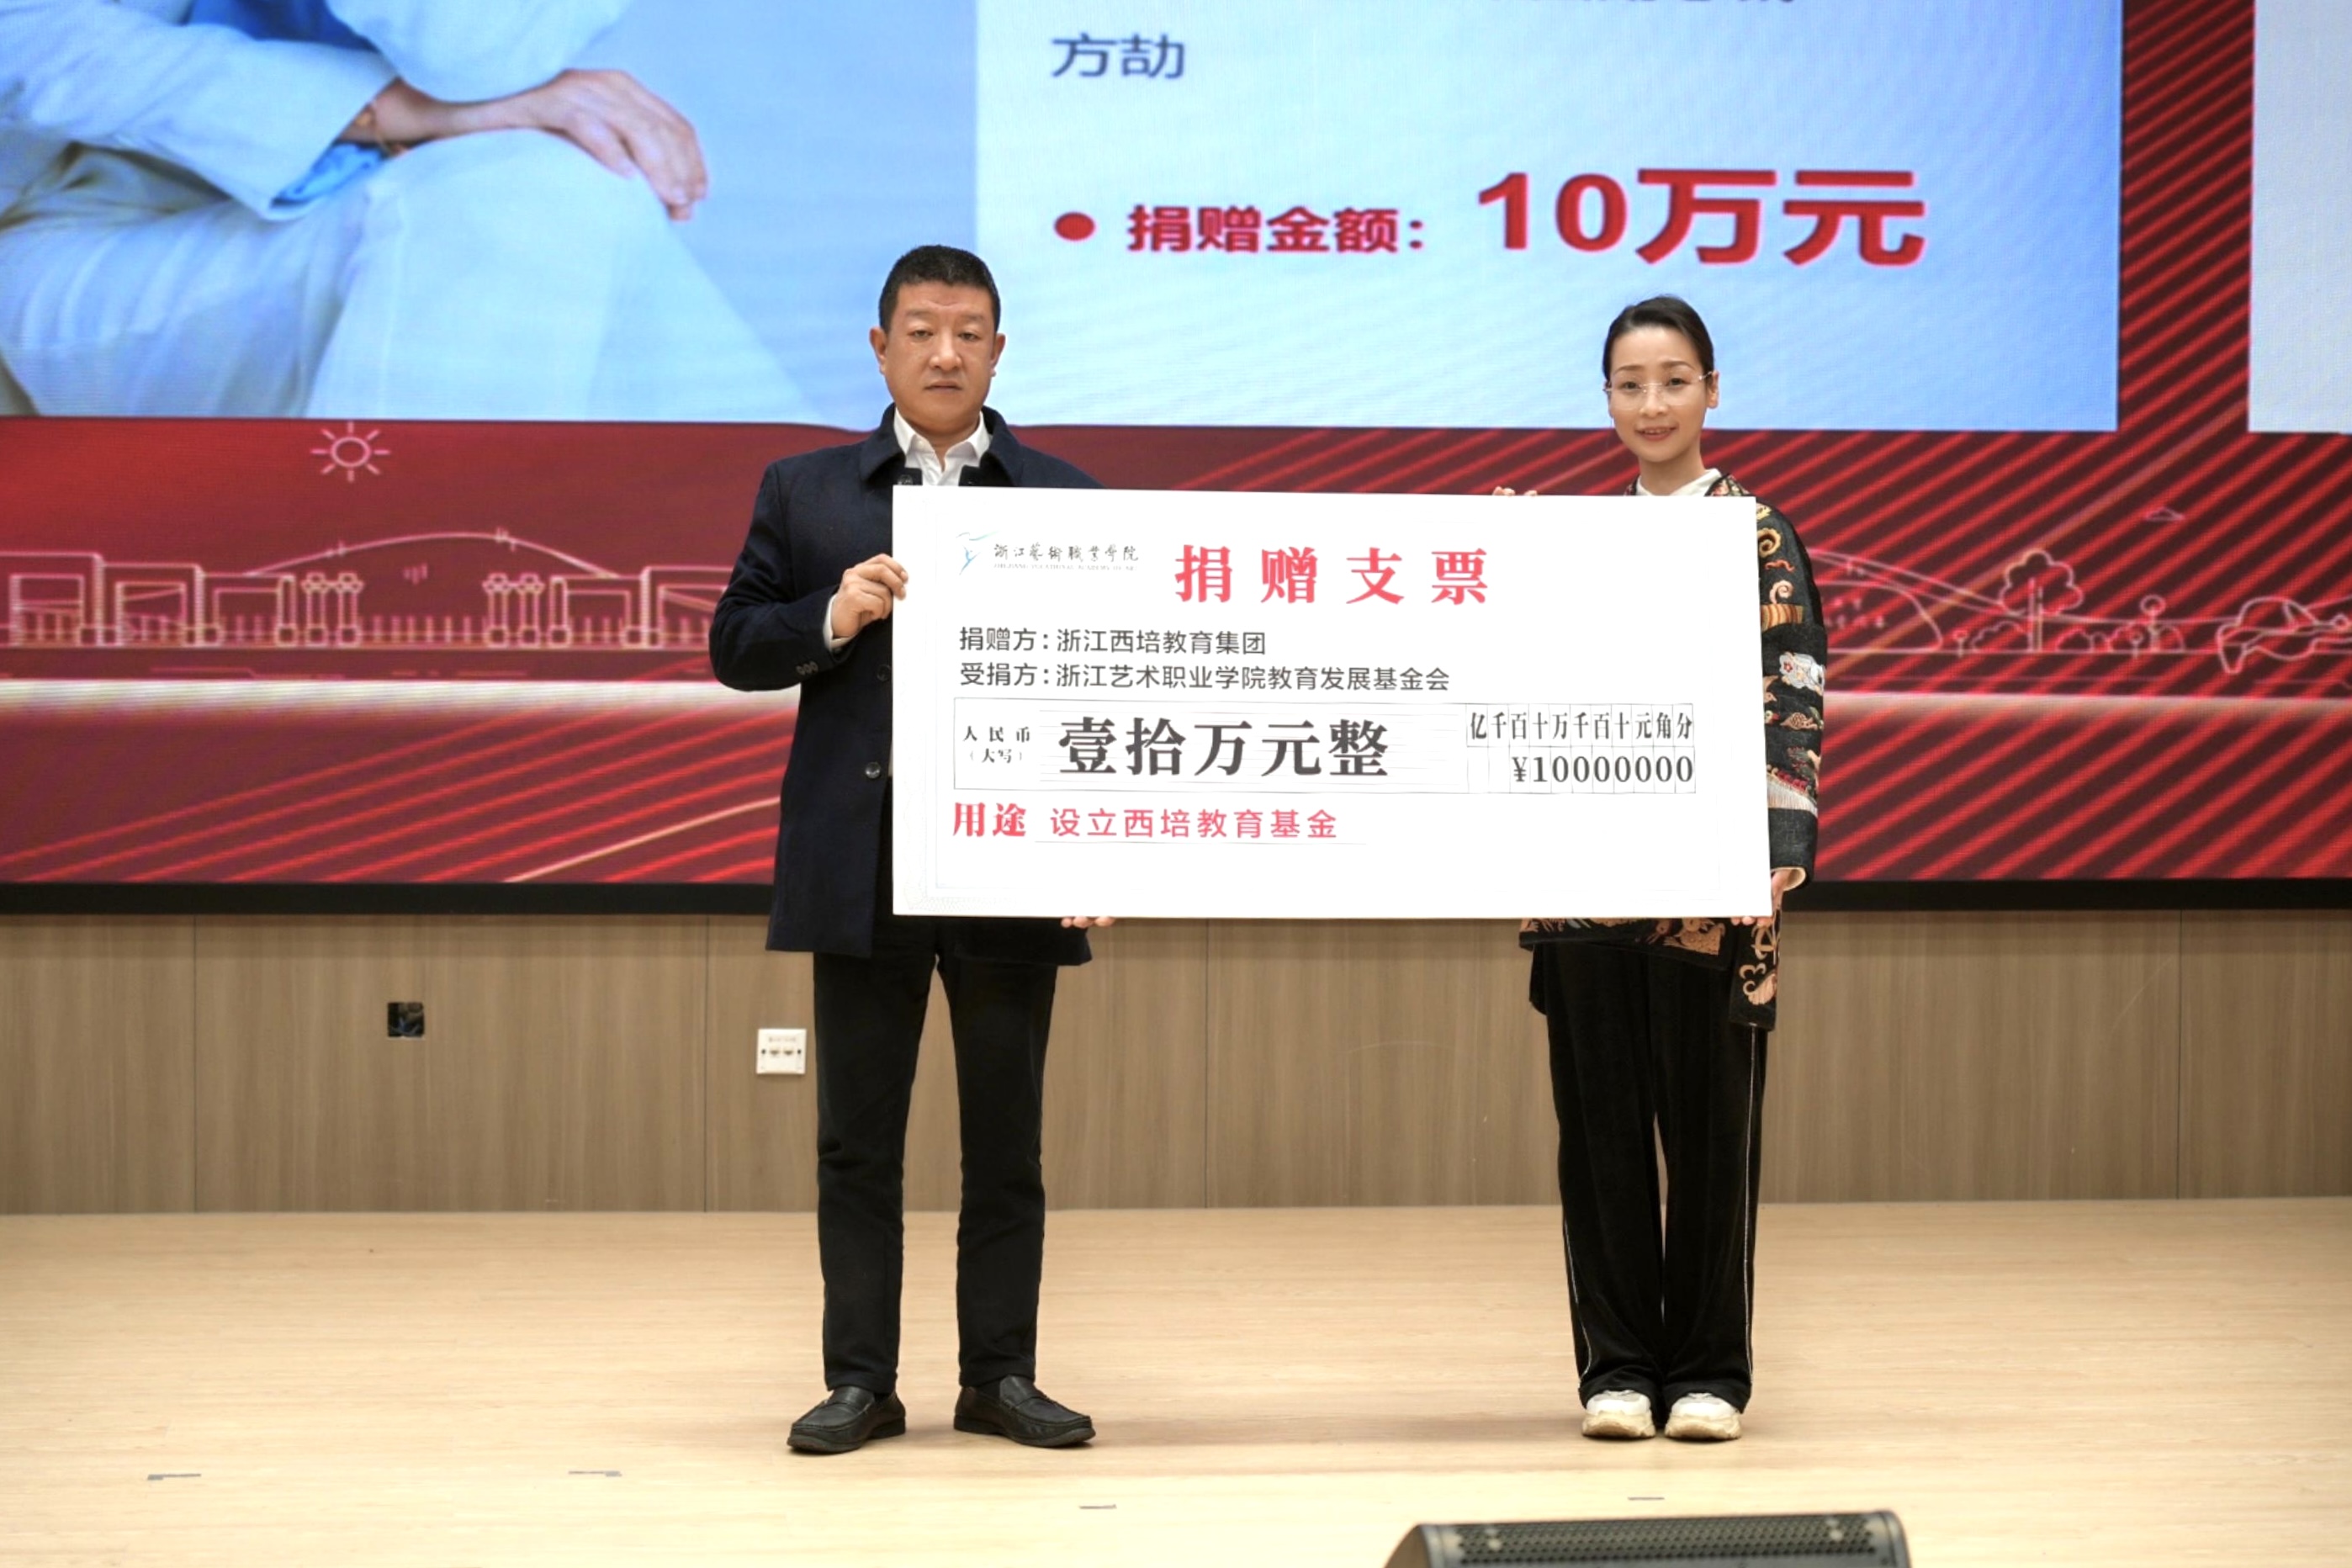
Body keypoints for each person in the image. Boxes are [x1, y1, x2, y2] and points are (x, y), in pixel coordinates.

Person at [709, 245, 1110, 1456]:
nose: (946, 353)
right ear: (880, 348)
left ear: (1000, 350)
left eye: (969, 332)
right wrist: (831, 615)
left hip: (1009, 865)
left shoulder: (1066, 499)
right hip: (863, 862)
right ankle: (860, 1382)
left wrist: (1101, 848)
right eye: (923, 331)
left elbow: (1108, 687)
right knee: (857, 1144)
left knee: (1006, 1144)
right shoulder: (807, 491)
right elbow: (734, 645)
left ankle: (1000, 1377)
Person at [1507, 295, 1826, 1444]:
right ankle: (1615, 1370)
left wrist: (1780, 845)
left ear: (1713, 392)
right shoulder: (1575, 541)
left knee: (1709, 1137)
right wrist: (1501, 568)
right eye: (1631, 383)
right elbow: (1521, 685)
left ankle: (1709, 1373)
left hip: (1714, 888)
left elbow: (1792, 691)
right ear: (1606, 399)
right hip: (1588, 882)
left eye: (1675, 380)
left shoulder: (1758, 535)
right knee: (1598, 1139)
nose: (1653, 403)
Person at [0, 0, 812, 421]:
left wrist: (435, 110)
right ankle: (407, 642)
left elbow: (475, 50)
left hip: (398, 239)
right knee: (531, 196)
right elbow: (30, 45)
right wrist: (391, 109)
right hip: (83, 243)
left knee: (567, 191)